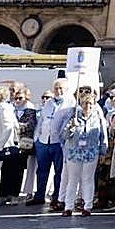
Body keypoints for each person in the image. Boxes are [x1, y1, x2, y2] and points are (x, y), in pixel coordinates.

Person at [59, 87, 108, 216]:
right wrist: (71, 128)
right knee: (72, 180)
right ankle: (68, 206)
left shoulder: (98, 118)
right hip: (75, 152)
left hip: (91, 152)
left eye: (90, 104)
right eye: (85, 103)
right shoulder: (73, 117)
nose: (87, 106)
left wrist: (103, 152)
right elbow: (63, 136)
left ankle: (88, 205)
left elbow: (103, 136)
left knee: (88, 179)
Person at [29, 78, 69, 208]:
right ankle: (39, 195)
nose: (58, 91)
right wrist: (37, 138)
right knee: (42, 170)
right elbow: (41, 120)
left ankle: (57, 196)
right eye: (56, 88)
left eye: (61, 88)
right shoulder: (49, 103)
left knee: (59, 171)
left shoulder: (70, 103)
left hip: (58, 142)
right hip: (44, 141)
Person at [6, 85, 37, 205]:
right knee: (8, 168)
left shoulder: (29, 109)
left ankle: (15, 194)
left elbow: (30, 125)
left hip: (23, 144)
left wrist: (15, 126)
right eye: (16, 98)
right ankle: (6, 193)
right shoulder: (11, 108)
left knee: (18, 169)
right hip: (11, 141)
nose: (17, 100)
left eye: (20, 98)